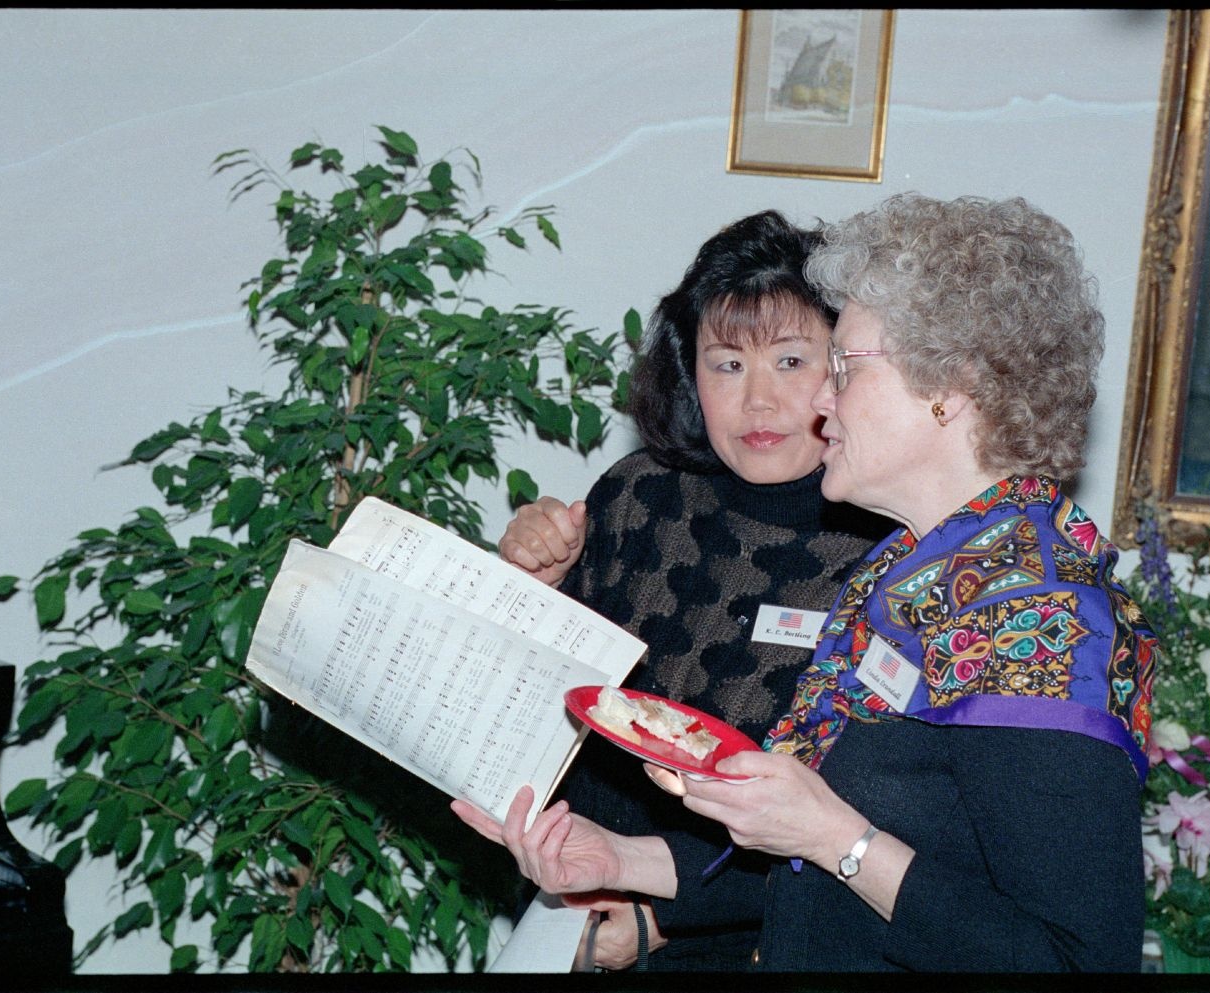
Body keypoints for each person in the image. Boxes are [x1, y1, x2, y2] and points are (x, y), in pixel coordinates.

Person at [458, 193, 1158, 972]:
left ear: (949, 388)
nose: (819, 403)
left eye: (844, 368)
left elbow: (1078, 963)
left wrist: (841, 839)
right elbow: (803, 853)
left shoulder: (1038, 620)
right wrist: (621, 861)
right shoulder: (910, 572)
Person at [496, 209, 887, 970]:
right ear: (689, 372)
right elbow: (530, 718)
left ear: (845, 372)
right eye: (728, 365)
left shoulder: (887, 550)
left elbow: (867, 831)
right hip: (564, 905)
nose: (760, 402)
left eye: (790, 361)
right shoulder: (639, 496)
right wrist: (528, 591)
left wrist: (655, 923)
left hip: (754, 940)